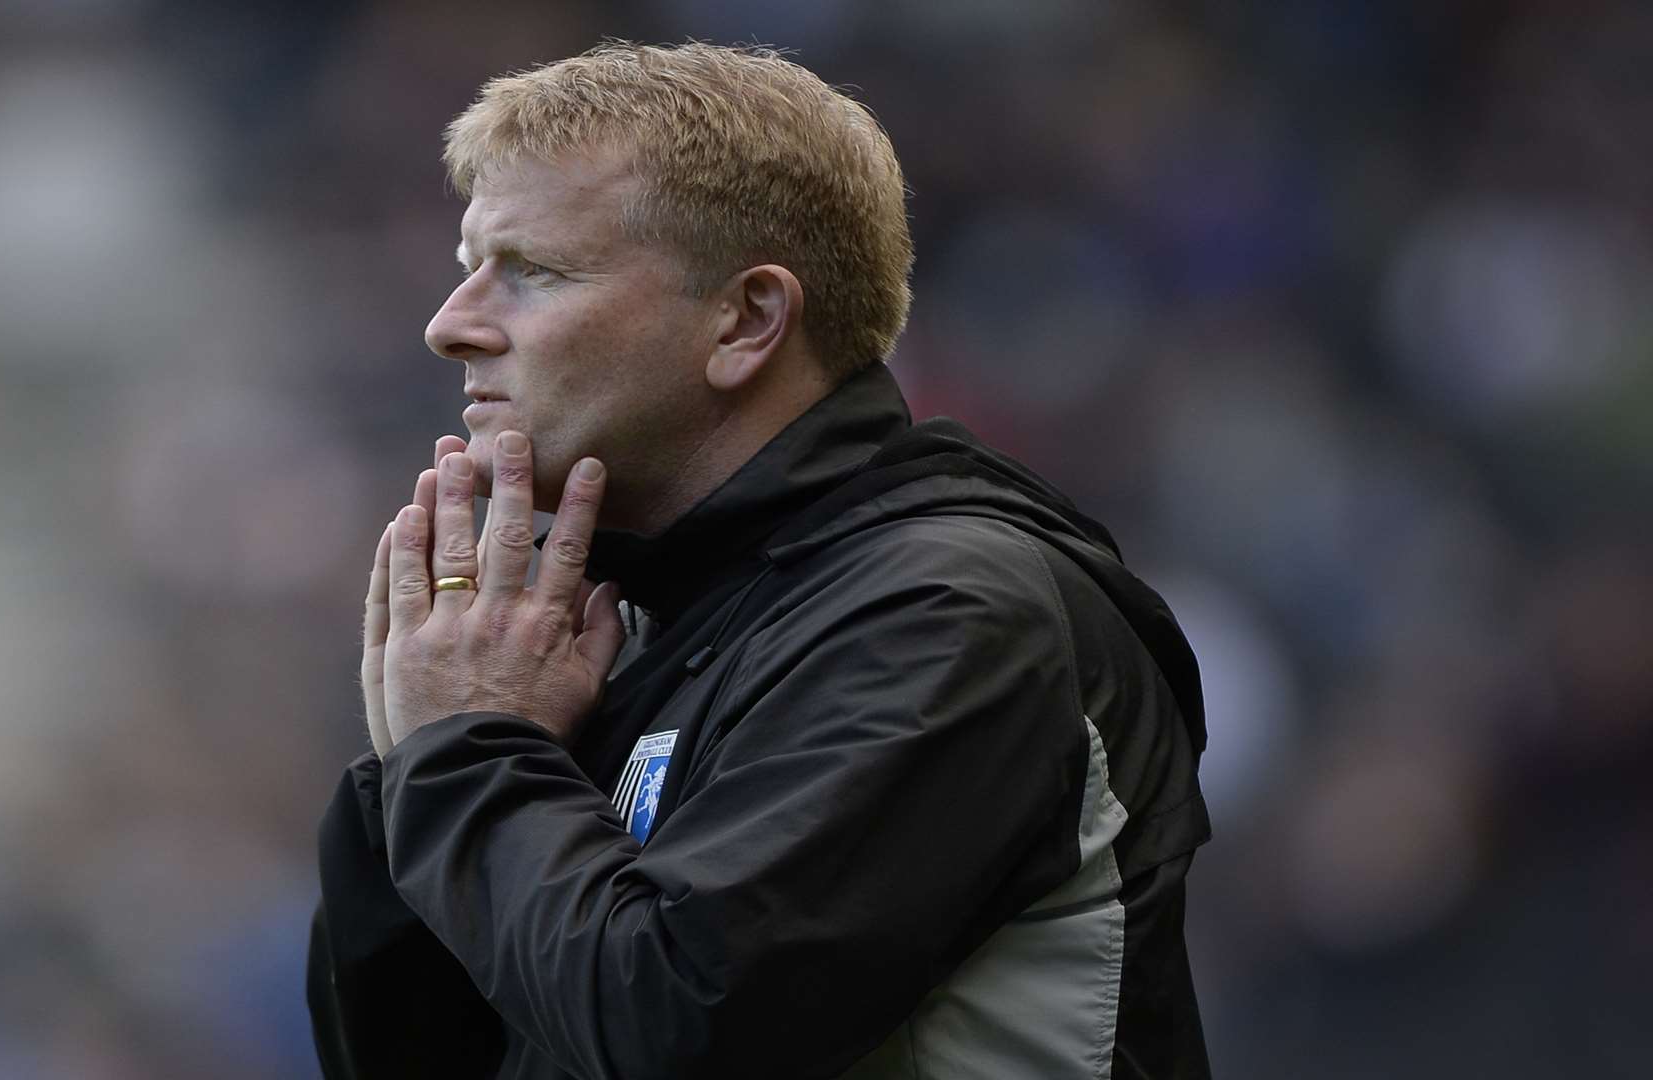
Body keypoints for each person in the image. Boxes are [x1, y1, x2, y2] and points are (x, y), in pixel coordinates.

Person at [308, 41, 1212, 1080]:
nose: (449, 326)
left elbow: (684, 1029)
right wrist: (414, 775)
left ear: (745, 320)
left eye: (533, 273)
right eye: (467, 269)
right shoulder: (622, 631)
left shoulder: (948, 613)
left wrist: (464, 751)